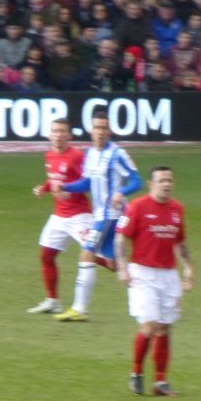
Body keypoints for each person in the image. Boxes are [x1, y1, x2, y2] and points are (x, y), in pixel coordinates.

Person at [54, 109, 142, 321]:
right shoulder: (91, 154)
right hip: (100, 215)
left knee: (86, 252)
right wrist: (66, 186)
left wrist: (122, 192)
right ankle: (147, 293)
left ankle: (79, 309)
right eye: (96, 128)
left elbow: (137, 181)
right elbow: (87, 182)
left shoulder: (118, 154)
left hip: (112, 215)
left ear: (109, 131)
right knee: (114, 263)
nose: (100, 132)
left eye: (104, 128)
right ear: (90, 130)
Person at [117, 166, 193, 397]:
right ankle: (136, 373)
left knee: (165, 327)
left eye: (169, 180)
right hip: (142, 273)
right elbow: (121, 238)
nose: (166, 184)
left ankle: (160, 381)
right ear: (151, 184)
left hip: (168, 275)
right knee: (149, 326)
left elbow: (180, 242)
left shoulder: (177, 209)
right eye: (161, 180)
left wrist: (188, 268)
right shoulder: (137, 207)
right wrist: (122, 268)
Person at [28, 118, 92, 315]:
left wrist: (70, 192)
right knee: (46, 255)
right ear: (49, 134)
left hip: (79, 215)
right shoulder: (50, 156)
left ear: (70, 135)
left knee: (98, 257)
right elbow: (54, 179)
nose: (58, 134)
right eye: (55, 131)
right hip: (59, 216)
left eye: (62, 131)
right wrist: (44, 188)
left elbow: (88, 183)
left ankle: (134, 278)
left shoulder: (77, 157)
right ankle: (53, 301)